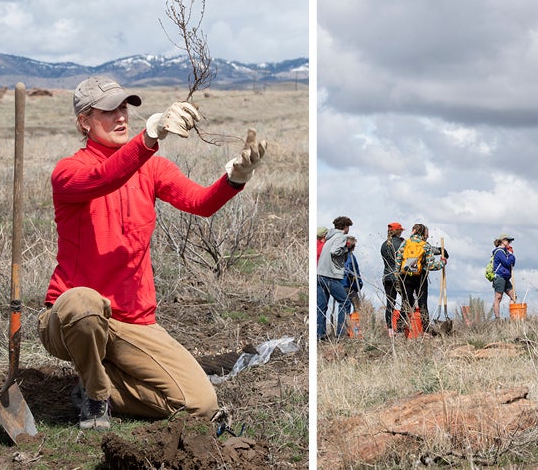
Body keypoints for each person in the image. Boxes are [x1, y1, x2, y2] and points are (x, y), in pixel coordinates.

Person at [38, 76, 267, 430]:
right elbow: (105, 177)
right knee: (82, 303)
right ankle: (97, 397)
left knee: (200, 404)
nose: (121, 117)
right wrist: (149, 137)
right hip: (70, 321)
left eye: (124, 107)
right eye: (108, 110)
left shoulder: (151, 167)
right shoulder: (69, 172)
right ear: (84, 121)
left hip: (132, 320)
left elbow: (200, 203)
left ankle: (100, 384)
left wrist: (235, 178)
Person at [395, 223, 447, 330]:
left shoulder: (405, 243)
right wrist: (442, 263)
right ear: (423, 234)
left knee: (405, 303)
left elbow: (398, 260)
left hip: (406, 277)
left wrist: (398, 276)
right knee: (422, 304)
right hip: (420, 278)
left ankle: (400, 330)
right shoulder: (425, 245)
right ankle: (425, 330)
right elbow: (431, 266)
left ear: (413, 231)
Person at [317, 216, 355, 340]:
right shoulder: (340, 237)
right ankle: (341, 334)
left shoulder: (329, 238)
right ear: (346, 227)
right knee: (345, 302)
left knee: (322, 306)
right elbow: (335, 251)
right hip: (330, 276)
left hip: (320, 275)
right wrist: (347, 248)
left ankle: (320, 335)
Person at [380, 222, 406, 337]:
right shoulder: (401, 244)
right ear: (398, 231)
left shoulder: (384, 245)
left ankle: (390, 330)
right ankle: (401, 327)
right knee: (406, 301)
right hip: (398, 276)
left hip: (386, 276)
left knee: (390, 303)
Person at [490, 234, 518, 319]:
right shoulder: (499, 252)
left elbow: (512, 263)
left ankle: (513, 316)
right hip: (499, 276)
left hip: (506, 277)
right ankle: (497, 318)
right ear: (502, 241)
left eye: (510, 241)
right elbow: (506, 262)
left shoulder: (506, 252)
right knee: (498, 297)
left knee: (513, 296)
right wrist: (510, 255)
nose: (509, 242)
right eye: (507, 240)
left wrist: (510, 255)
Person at [343, 244, 363, 319]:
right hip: (348, 285)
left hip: (344, 284)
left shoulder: (343, 255)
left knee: (344, 305)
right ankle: (354, 326)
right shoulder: (349, 256)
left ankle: (345, 325)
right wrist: (352, 277)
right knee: (357, 306)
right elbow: (347, 268)